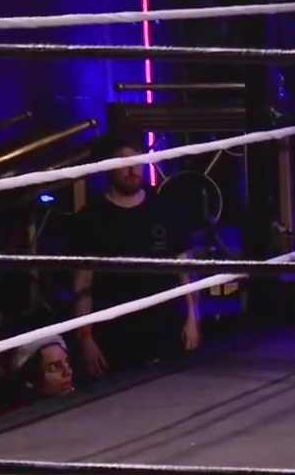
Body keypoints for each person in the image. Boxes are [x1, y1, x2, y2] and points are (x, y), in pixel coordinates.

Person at [70, 134, 200, 379]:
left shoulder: (165, 209)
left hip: (165, 330)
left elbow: (186, 269)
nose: (133, 170)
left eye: (138, 161)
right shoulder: (91, 218)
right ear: (109, 166)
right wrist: (85, 338)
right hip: (115, 337)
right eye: (124, 163)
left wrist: (193, 318)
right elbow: (82, 283)